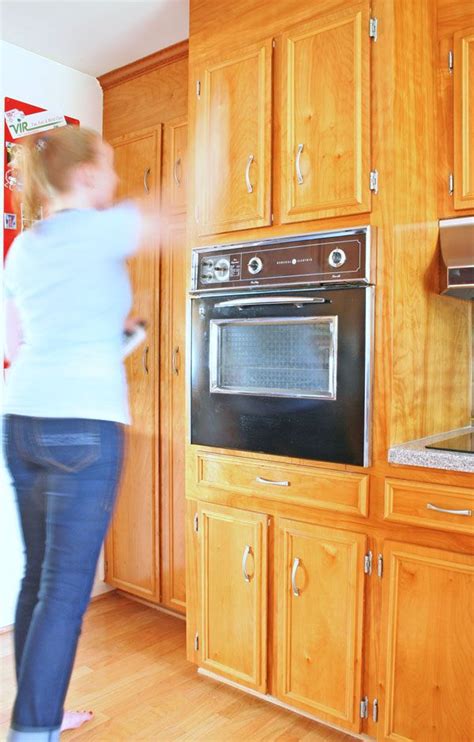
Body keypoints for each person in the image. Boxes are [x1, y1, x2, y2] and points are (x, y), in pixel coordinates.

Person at [3, 125, 159, 741]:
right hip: (82, 430)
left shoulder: (24, 247)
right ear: (88, 175)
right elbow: (173, 219)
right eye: (111, 168)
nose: (117, 181)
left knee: (37, 577)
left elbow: (18, 345)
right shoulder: (103, 228)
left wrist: (115, 343)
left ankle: (40, 712)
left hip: (21, 421)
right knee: (65, 592)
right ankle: (32, 730)